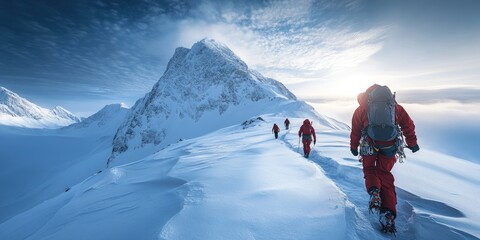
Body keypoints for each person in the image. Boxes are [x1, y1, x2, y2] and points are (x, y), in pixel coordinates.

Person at [350, 84, 419, 234]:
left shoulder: (362, 108)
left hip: (369, 144)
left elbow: (355, 129)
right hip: (390, 146)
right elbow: (408, 125)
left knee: (370, 169)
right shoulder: (394, 106)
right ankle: (388, 212)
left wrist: (354, 147)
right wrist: (412, 143)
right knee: (384, 174)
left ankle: (374, 192)